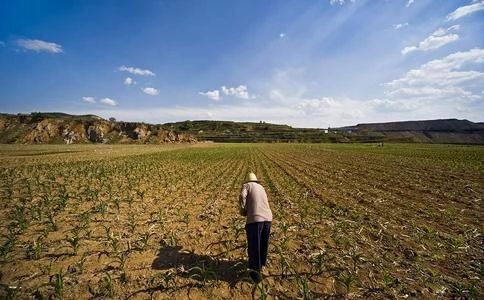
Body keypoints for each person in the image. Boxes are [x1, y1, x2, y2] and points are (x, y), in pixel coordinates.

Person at [239, 172, 273, 283]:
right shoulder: (261, 187)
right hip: (268, 219)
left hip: (255, 220)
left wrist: (243, 209)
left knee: (254, 247)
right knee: (263, 243)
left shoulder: (247, 185)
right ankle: (262, 264)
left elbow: (242, 196)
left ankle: (255, 276)